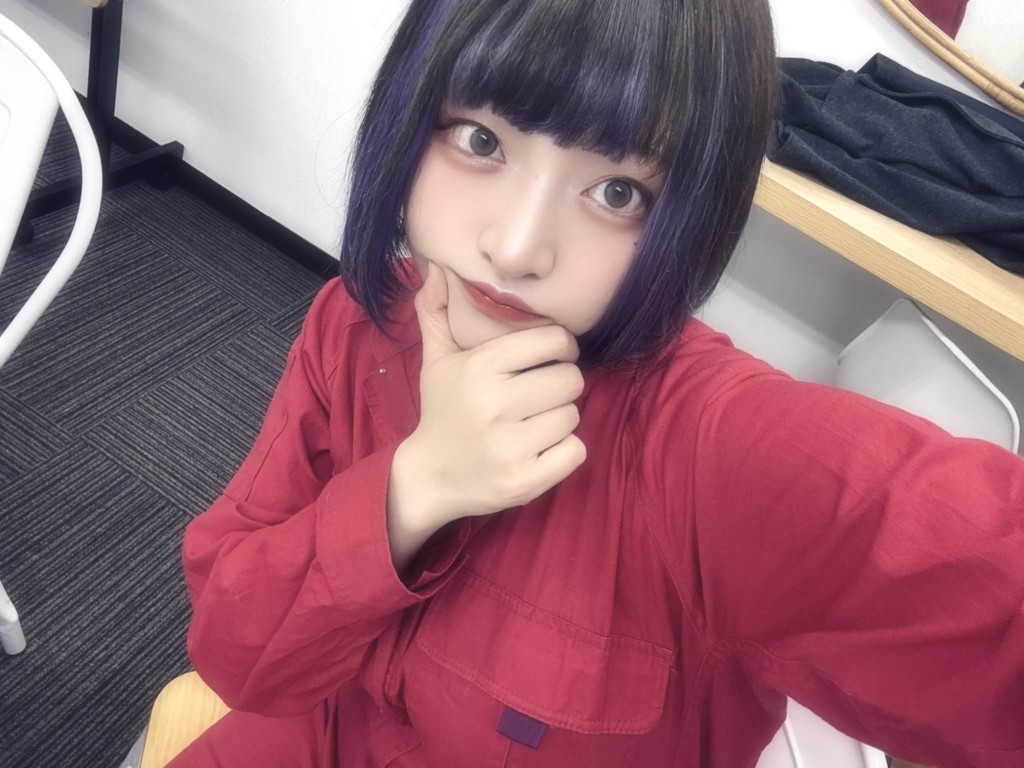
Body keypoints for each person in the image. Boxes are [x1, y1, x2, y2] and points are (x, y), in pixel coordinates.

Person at [170, 0, 1024, 766]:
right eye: (481, 141)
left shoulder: (709, 451)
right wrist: (413, 488)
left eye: (617, 192)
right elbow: (235, 651)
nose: (516, 248)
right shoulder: (352, 326)